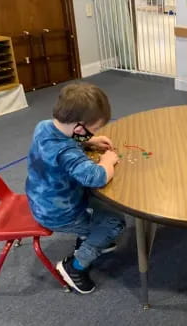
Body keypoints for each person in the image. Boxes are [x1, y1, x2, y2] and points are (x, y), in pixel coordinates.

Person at [25, 83, 125, 294]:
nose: (94, 133)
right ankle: (75, 267)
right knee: (115, 223)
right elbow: (95, 177)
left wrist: (90, 141)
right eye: (95, 129)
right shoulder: (66, 151)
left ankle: (89, 236)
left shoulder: (44, 126)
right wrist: (107, 161)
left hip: (42, 199)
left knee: (103, 207)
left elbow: (65, 140)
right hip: (59, 213)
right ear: (79, 127)